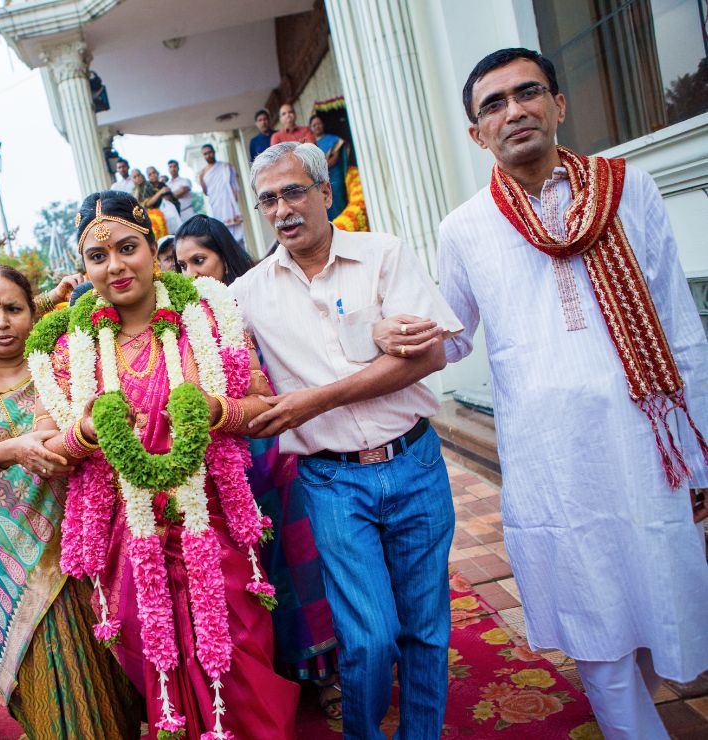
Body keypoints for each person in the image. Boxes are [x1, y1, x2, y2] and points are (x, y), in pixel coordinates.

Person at [401, 47, 708, 739]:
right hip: (553, 458)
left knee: (660, 597)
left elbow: (679, 325)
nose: (514, 111)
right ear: (476, 131)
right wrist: (396, 337)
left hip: (645, 443)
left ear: (558, 104)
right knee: (594, 613)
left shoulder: (629, 191)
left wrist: (699, 443)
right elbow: (453, 340)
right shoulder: (464, 228)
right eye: (493, 105)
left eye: (527, 92)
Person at [28, 190, 300, 737]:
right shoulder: (71, 347)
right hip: (129, 542)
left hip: (212, 522)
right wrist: (84, 432)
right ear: (83, 268)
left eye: (128, 248)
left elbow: (266, 407)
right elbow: (44, 450)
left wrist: (215, 409)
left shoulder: (208, 318)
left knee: (239, 659)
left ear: (155, 249)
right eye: (98, 257)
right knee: (160, 669)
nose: (116, 266)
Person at [231, 142, 463, 738]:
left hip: (414, 461)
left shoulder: (383, 254)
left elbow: (429, 354)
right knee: (369, 636)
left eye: (293, 191)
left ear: (325, 192)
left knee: (425, 628)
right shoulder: (247, 296)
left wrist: (315, 399)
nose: (281, 208)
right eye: (267, 200)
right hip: (332, 480)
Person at [0, 265, 140, 739]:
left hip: (82, 544)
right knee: (53, 685)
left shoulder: (61, 363)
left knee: (111, 677)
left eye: (13, 309)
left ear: (32, 313)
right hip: (9, 565)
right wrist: (9, 451)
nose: (1, 321)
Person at [174, 214, 344, 719]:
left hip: (276, 448)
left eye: (199, 260)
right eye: (180, 265)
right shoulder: (179, 319)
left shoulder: (253, 298)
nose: (190, 275)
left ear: (224, 259)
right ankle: (283, 671)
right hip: (227, 460)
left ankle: (328, 670)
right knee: (256, 568)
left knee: (301, 558)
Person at [198, 144, 245, 245]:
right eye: (205, 154)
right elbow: (205, 192)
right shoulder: (202, 173)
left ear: (214, 152)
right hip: (216, 205)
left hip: (230, 204)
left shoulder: (226, 166)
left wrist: (234, 201)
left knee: (237, 235)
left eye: (210, 152)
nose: (208, 155)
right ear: (203, 156)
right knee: (222, 232)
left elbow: (235, 186)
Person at [309, 114, 348, 221]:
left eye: (319, 124)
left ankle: (346, 223)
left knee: (338, 200)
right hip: (320, 179)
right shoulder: (311, 145)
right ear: (311, 128)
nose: (317, 126)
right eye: (314, 125)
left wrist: (321, 167)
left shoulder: (333, 139)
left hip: (334, 176)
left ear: (323, 125)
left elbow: (335, 159)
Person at [146, 165, 183, 234]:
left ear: (157, 173)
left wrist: (168, 198)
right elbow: (148, 204)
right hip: (156, 219)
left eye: (154, 173)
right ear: (148, 177)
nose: (152, 175)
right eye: (150, 174)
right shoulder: (147, 188)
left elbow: (172, 199)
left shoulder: (163, 185)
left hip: (170, 215)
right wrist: (161, 192)